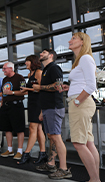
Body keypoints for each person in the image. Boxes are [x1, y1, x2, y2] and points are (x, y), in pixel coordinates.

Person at [60, 32, 100, 182]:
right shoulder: (80, 60)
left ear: (83, 42)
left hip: (81, 104)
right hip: (81, 102)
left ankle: (95, 179)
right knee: (88, 143)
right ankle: (94, 179)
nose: (69, 40)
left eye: (73, 38)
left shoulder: (85, 58)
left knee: (78, 143)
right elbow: (83, 83)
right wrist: (68, 88)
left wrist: (77, 101)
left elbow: (91, 85)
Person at [32, 49, 72, 179]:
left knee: (56, 137)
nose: (40, 54)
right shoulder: (46, 70)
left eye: (43, 52)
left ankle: (64, 169)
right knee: (51, 136)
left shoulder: (54, 68)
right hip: (48, 108)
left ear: (50, 55)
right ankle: (51, 163)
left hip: (54, 108)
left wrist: (40, 87)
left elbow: (59, 87)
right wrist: (42, 111)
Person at [17, 55, 47, 165]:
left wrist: (27, 89)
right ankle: (43, 153)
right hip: (32, 102)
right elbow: (30, 90)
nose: (25, 63)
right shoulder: (30, 74)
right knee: (38, 128)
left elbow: (41, 89)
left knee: (32, 127)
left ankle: (26, 153)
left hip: (38, 103)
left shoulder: (39, 72)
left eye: (27, 61)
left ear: (32, 62)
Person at [0, 62, 26, 160]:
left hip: (16, 105)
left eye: (5, 68)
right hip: (6, 106)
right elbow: (3, 93)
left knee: (19, 129)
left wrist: (12, 92)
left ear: (11, 68)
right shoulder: (4, 80)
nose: (3, 70)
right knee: (7, 128)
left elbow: (25, 91)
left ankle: (19, 151)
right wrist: (2, 102)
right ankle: (9, 149)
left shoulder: (20, 78)